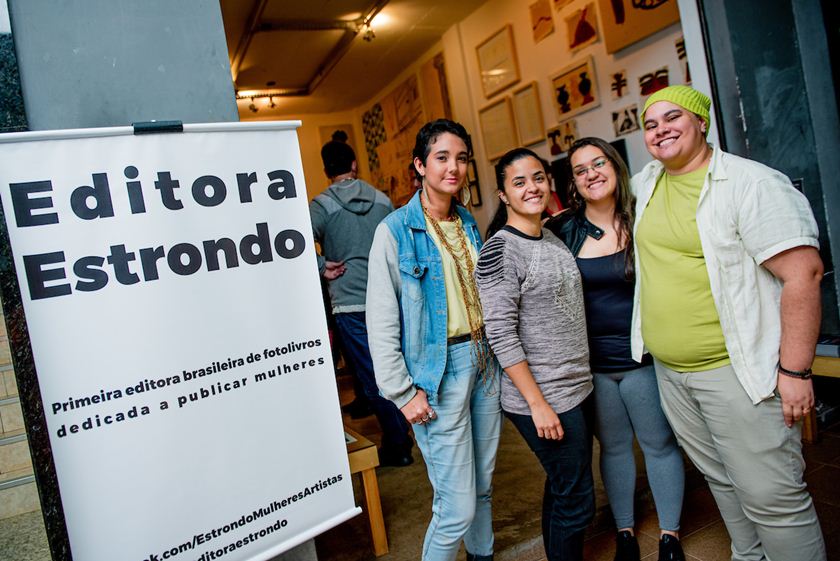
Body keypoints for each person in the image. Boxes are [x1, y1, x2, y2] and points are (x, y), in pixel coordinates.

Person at [633, 85, 826, 560]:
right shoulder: (648, 182)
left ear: (702, 122)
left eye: (672, 117)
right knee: (722, 480)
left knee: (773, 497)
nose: (660, 130)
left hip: (735, 371)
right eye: (650, 124)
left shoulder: (752, 184)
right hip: (671, 373)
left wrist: (796, 372)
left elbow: (805, 274)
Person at [366, 119, 502, 561]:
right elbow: (381, 322)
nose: (454, 168)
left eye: (461, 158)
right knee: (455, 506)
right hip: (437, 373)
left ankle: (483, 556)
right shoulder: (394, 231)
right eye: (442, 158)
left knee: (482, 487)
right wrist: (402, 394)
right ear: (420, 165)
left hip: (483, 362)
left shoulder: (465, 220)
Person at [546, 138, 685, 561]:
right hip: (593, 367)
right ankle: (624, 532)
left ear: (616, 166)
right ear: (573, 182)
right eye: (581, 169)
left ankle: (669, 536)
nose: (591, 174)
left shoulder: (643, 214)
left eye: (598, 163)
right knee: (614, 447)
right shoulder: (561, 230)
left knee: (659, 443)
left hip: (642, 357)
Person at [475, 148, 594, 561]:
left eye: (538, 178)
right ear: (504, 194)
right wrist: (537, 404)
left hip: (576, 386)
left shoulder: (550, 236)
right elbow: (501, 335)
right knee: (578, 500)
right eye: (519, 182)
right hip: (544, 396)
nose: (532, 188)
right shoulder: (499, 251)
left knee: (564, 486)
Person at [310, 139, 414, 467]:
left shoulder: (321, 205)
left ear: (327, 170)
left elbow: (293, 243)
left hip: (350, 303)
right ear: (354, 164)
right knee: (400, 367)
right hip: (390, 297)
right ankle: (410, 436)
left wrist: (321, 265)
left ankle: (398, 445)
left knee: (372, 377)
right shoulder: (384, 200)